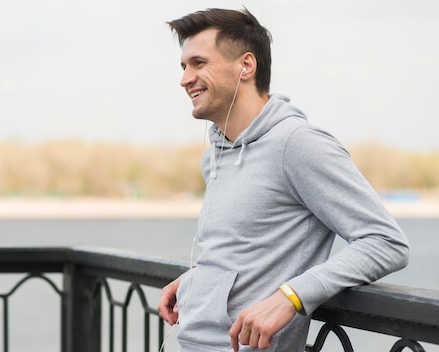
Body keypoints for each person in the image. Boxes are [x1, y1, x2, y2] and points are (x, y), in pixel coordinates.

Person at [157, 8, 410, 352]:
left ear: (246, 66)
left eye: (199, 63)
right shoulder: (214, 155)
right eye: (184, 66)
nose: (185, 79)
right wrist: (198, 282)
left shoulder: (298, 144)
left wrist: (291, 296)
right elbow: (248, 246)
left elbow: (385, 242)